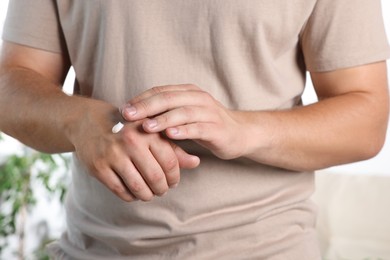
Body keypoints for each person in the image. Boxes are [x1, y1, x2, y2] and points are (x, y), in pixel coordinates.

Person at [0, 0, 389, 259]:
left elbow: (367, 118)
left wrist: (243, 130)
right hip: (93, 248)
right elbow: (11, 83)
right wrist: (79, 122)